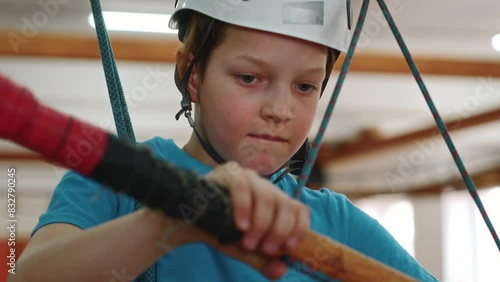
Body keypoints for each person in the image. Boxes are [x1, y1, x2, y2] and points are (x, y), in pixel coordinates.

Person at [10, 0, 438, 281]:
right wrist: (171, 221)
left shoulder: (335, 222)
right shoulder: (120, 181)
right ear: (190, 75)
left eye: (305, 87)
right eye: (250, 78)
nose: (281, 110)